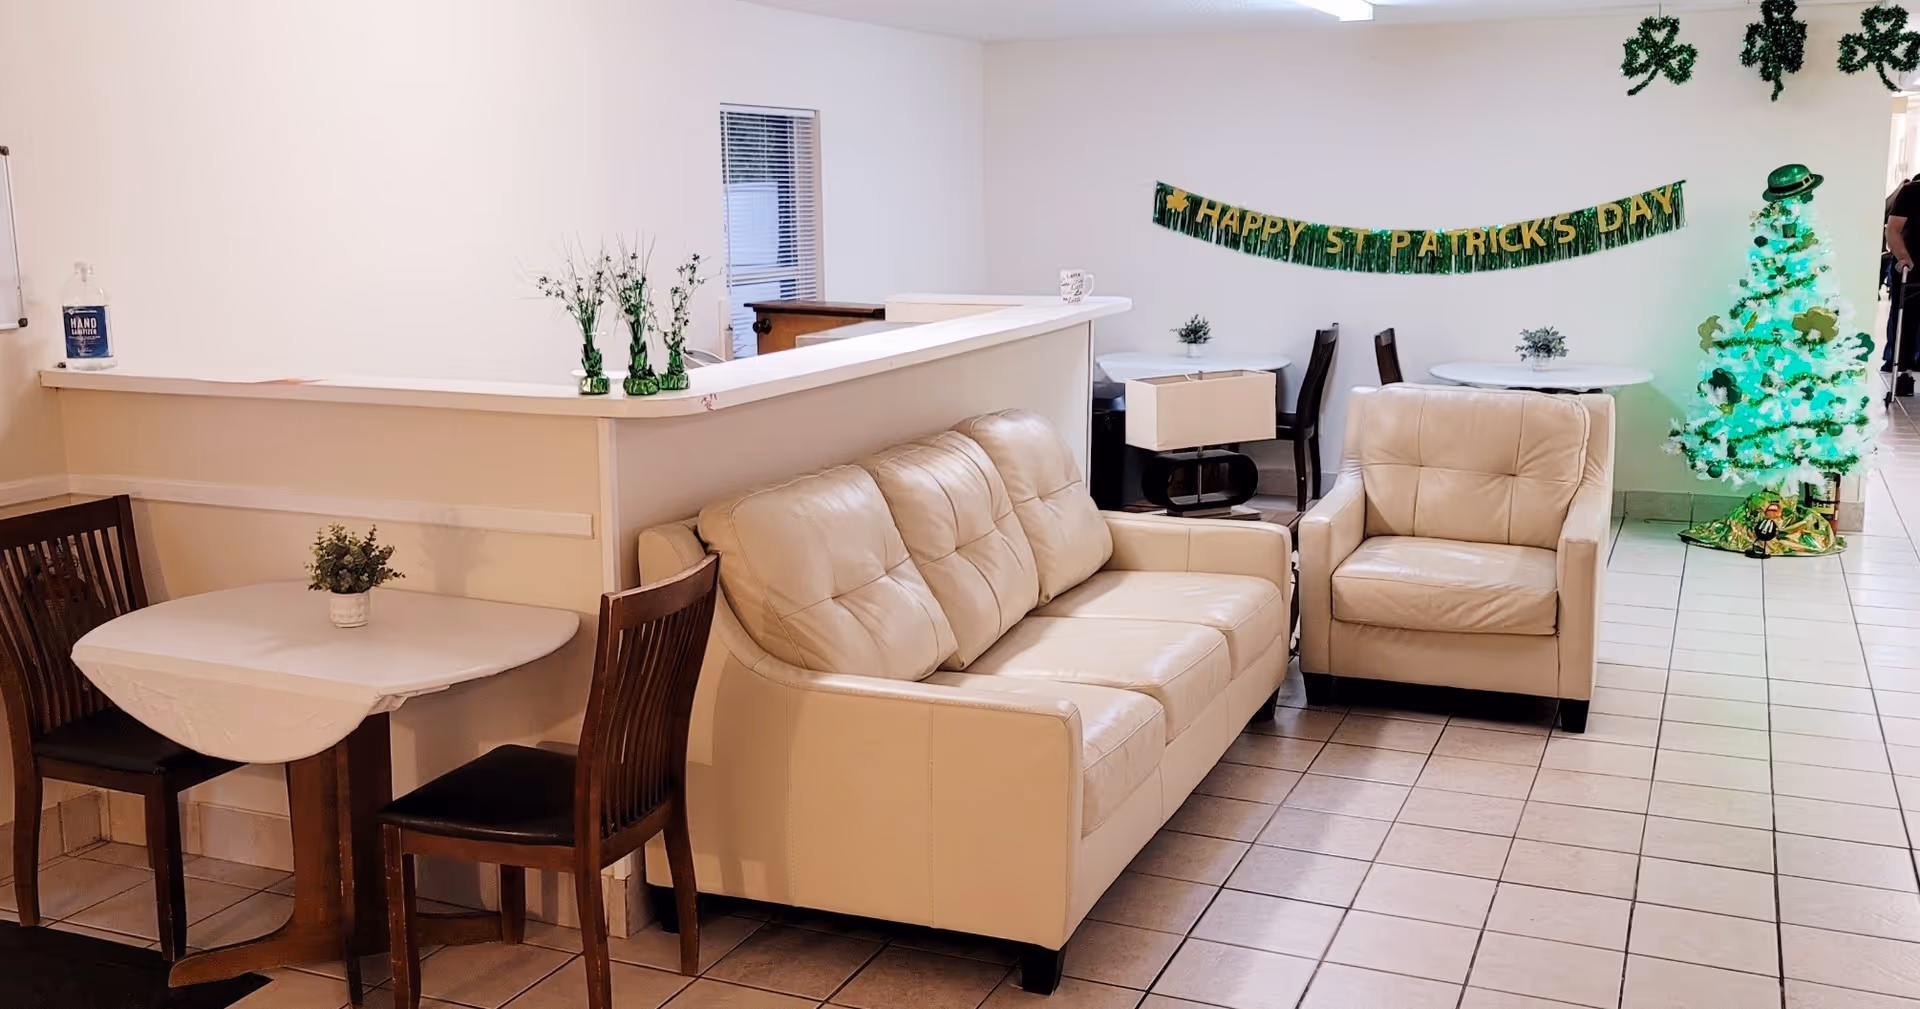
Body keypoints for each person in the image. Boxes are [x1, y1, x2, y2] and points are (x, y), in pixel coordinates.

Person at [1884, 174, 1920, 375]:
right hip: (1911, 264)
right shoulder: (1912, 191)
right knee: (1904, 318)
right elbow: (1893, 230)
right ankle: (1899, 365)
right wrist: (1903, 257)